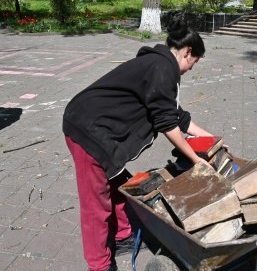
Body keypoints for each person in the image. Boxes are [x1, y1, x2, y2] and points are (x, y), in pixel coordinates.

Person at [63, 18, 214, 271]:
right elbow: (167, 125)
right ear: (188, 52)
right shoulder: (163, 68)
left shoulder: (159, 65)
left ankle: (123, 235)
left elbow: (176, 115)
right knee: (95, 205)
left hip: (100, 130)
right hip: (88, 130)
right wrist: (196, 158)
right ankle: (100, 265)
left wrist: (213, 140)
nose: (191, 69)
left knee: (120, 185)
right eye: (193, 63)